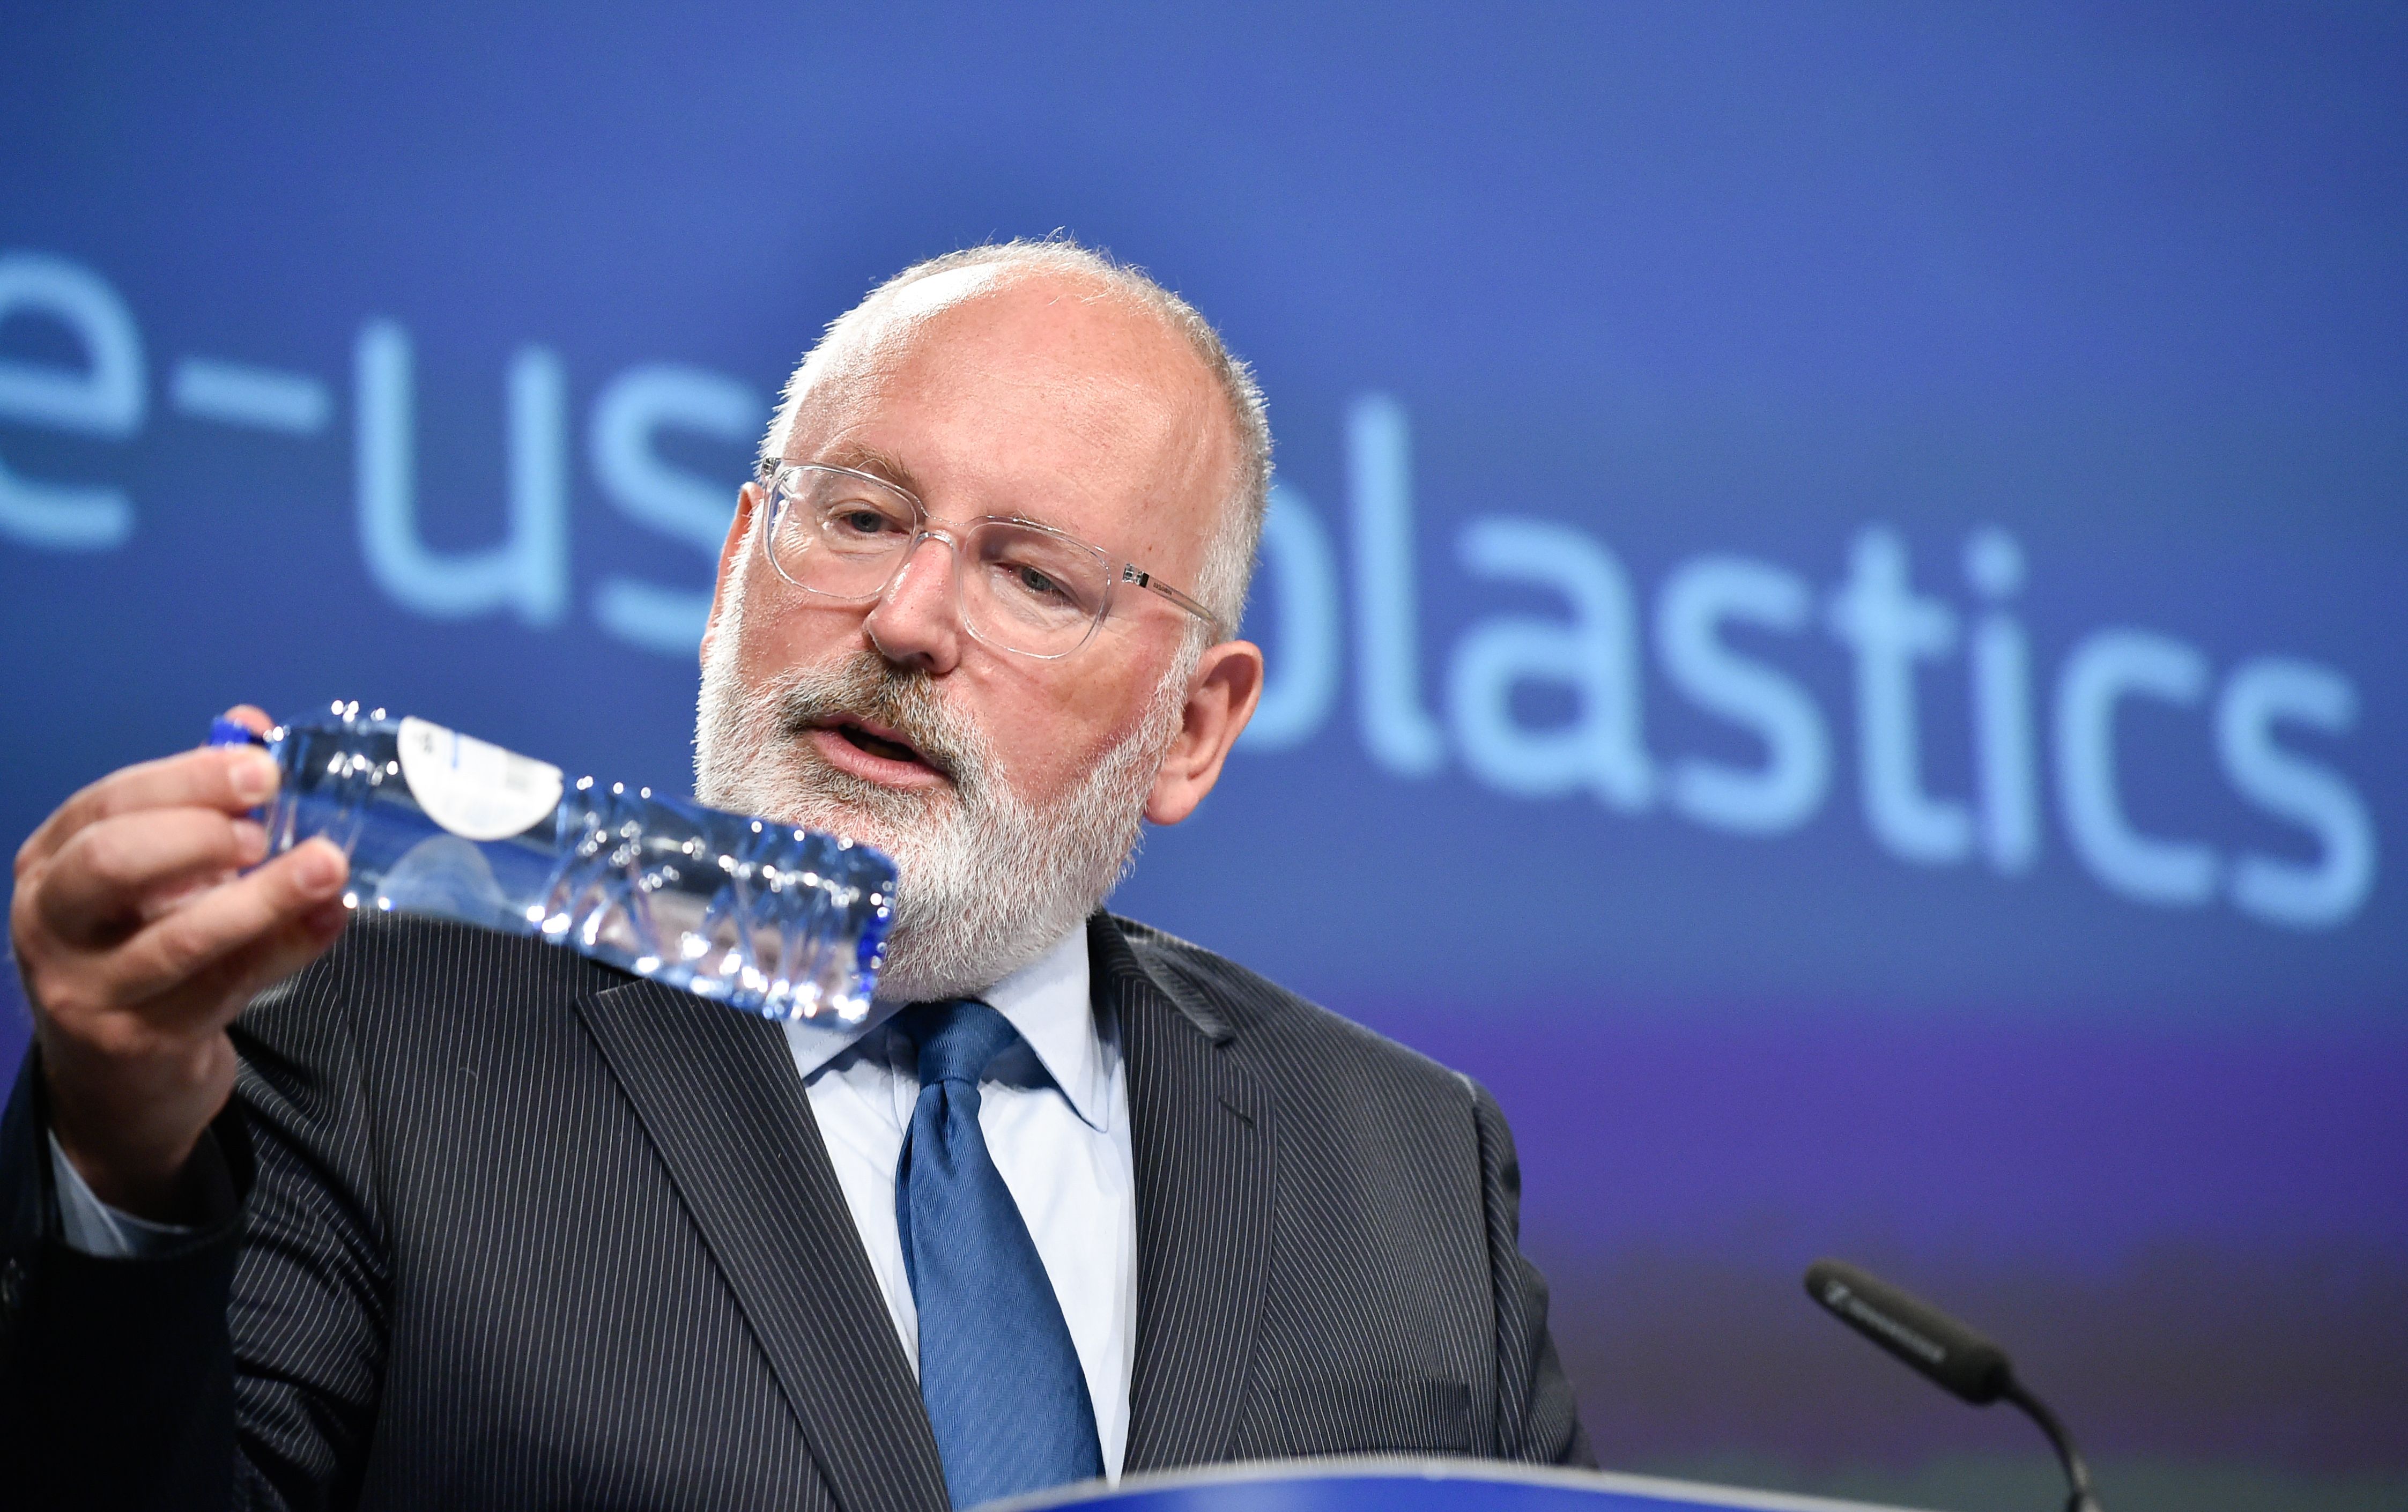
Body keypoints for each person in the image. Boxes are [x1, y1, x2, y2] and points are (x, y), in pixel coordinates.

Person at [2, 240, 1590, 1510]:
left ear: (1192, 723)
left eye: (1034, 576)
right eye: (858, 515)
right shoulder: (366, 1035)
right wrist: (124, 1161)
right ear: (729, 575)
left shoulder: (1403, 1162)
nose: (905, 616)